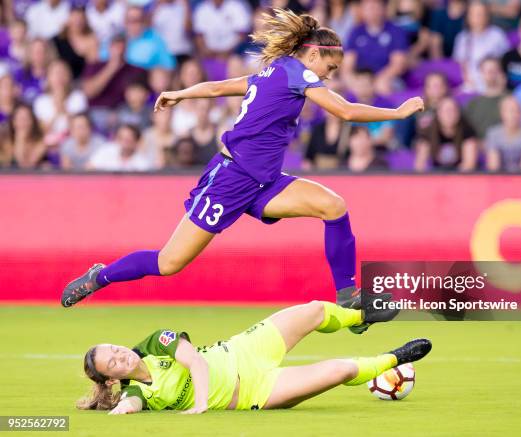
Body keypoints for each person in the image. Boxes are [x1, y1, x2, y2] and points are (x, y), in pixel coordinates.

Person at [60, 9, 425, 331]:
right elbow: (344, 111)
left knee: (334, 206)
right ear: (314, 53)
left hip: (264, 183)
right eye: (329, 69)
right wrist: (396, 112)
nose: (328, 77)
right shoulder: (298, 74)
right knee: (169, 263)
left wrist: (181, 93)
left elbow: (219, 87)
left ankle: (348, 294)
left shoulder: (275, 71)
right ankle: (100, 276)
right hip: (230, 180)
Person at [77, 299, 432, 413]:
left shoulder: (155, 343)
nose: (121, 355)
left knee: (311, 312)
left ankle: (360, 317)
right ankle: (394, 360)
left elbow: (196, 362)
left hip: (244, 349)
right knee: (338, 370)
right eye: (114, 362)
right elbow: (130, 407)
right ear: (113, 378)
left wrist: (199, 404)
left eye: (115, 348)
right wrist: (118, 408)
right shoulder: (139, 394)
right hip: (256, 392)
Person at [343, 0, 409, 96]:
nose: (372, 11)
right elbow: (347, 66)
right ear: (362, 10)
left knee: (382, 86)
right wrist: (353, 80)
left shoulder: (396, 31)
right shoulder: (355, 32)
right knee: (334, 86)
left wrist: (376, 80)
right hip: (361, 77)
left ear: (383, 9)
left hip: (388, 78)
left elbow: (398, 65)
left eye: (375, 7)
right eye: (368, 8)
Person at [452, 1, 509, 92]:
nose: (478, 17)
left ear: (487, 16)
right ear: (468, 17)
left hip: (493, 84)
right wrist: (469, 82)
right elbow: (461, 64)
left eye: (481, 14)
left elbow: (505, 61)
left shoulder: (497, 34)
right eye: (474, 14)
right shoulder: (462, 38)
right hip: (470, 85)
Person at [414, 96, 478, 172]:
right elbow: (420, 165)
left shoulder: (467, 131)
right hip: (435, 177)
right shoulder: (428, 132)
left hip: (460, 177)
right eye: (446, 111)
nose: (449, 115)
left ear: (458, 113)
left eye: (453, 110)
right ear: (438, 113)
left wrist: (452, 180)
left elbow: (469, 165)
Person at [485, 95, 521, 172]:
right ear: (502, 113)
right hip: (499, 180)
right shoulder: (493, 134)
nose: (514, 115)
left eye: (518, 111)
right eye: (510, 111)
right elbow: (493, 166)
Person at [464, 57, 508, 140]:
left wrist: (502, 88)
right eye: (488, 71)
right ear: (481, 74)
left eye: (495, 70)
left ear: (501, 73)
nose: (491, 74)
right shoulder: (473, 104)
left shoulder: (511, 99)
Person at [87, 123, 153, 172]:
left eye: (128, 140)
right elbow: (89, 168)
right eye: (121, 138)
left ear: (136, 142)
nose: (124, 143)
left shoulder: (143, 162)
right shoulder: (106, 150)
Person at [3, 102, 46, 169]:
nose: (23, 123)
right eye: (20, 119)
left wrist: (21, 139)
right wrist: (19, 139)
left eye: (26, 119)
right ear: (13, 122)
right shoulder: (6, 140)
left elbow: (25, 166)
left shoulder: (40, 141)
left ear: (32, 121)